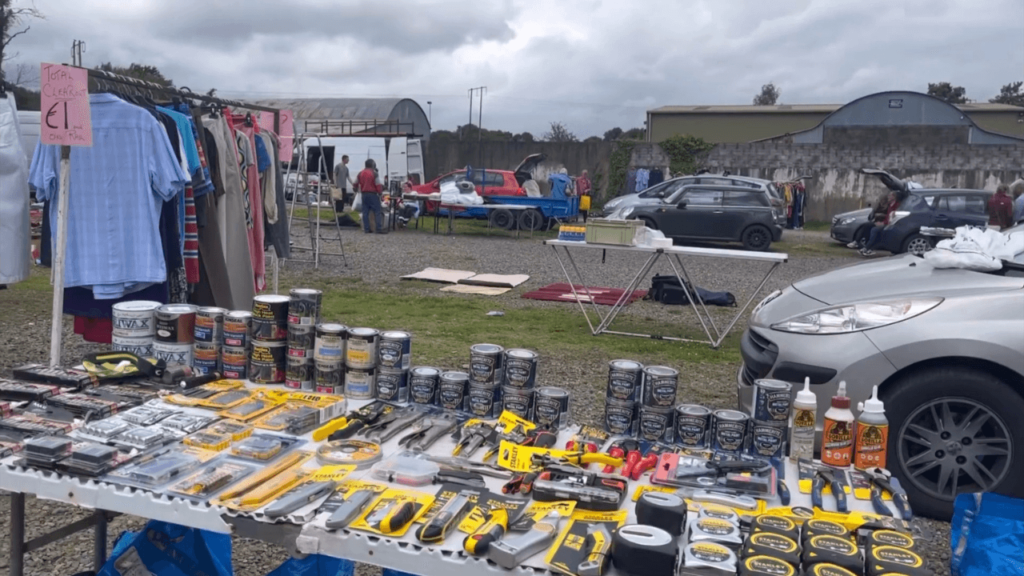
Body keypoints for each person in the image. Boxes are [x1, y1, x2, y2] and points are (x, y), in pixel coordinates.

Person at [860, 191, 897, 257]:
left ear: (894, 197)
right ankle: (862, 244)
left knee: (874, 230)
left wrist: (883, 223)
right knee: (867, 226)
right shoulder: (890, 205)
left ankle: (867, 248)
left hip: (889, 224)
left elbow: (891, 218)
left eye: (890, 196)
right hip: (884, 222)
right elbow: (887, 216)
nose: (888, 197)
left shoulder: (896, 205)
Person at [357, 159, 386, 234]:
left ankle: (366, 229)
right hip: (372, 194)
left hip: (364, 194)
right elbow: (378, 184)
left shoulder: (360, 173)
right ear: (372, 165)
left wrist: (356, 188)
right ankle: (379, 228)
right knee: (377, 211)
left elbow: (355, 183)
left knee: (365, 212)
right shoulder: (374, 173)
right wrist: (380, 192)